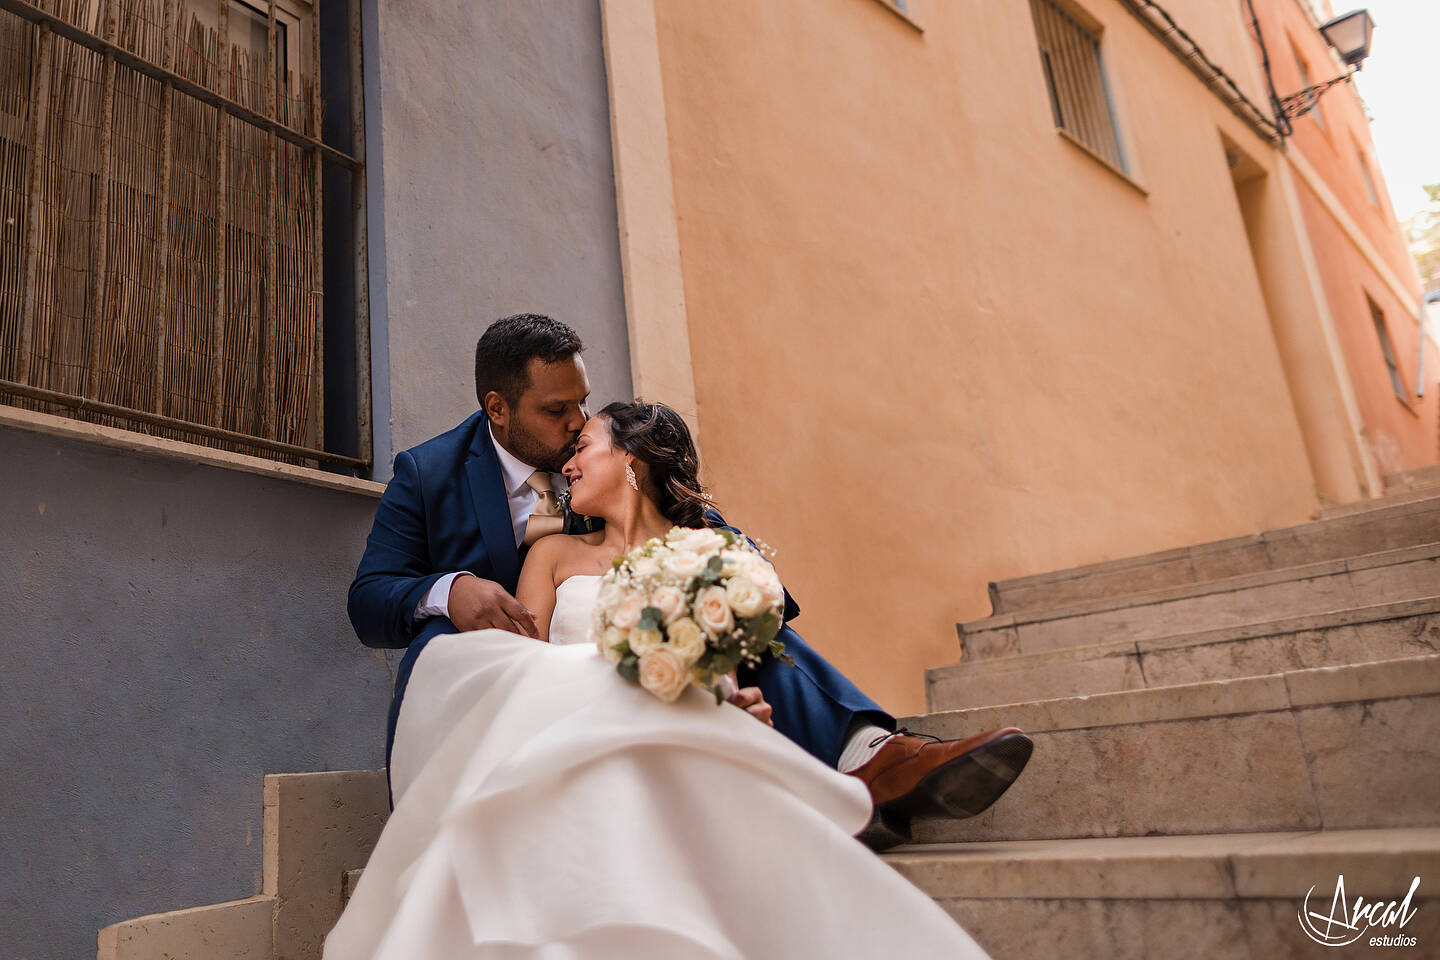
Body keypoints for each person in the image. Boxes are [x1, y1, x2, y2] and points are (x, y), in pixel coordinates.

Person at [326, 399, 996, 958]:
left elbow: (737, 642)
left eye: (585, 443)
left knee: (767, 641)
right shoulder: (551, 552)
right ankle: (864, 761)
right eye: (565, 425)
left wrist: (725, 696)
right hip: (568, 706)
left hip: (678, 699)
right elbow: (525, 652)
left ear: (632, 461)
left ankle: (871, 755)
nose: (569, 457)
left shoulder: (699, 549)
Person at [347, 314, 1032, 850]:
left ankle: (875, 756)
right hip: (524, 676)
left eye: (583, 405)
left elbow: (696, 532)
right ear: (498, 409)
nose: (577, 424)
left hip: (644, 652)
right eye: (557, 411)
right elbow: (370, 598)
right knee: (439, 636)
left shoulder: (602, 459)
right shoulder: (429, 473)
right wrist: (449, 589)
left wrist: (724, 579)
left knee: (721, 606)